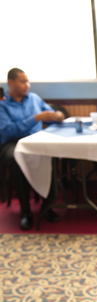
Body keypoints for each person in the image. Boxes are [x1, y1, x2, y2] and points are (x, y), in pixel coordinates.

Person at [0, 68, 64, 229]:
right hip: (13, 143)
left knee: (50, 155)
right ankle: (25, 211)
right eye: (22, 81)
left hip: (37, 141)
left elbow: (50, 115)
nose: (27, 85)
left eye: (27, 81)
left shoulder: (34, 98)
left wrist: (57, 116)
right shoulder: (2, 103)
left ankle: (48, 206)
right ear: (11, 82)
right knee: (16, 158)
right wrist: (35, 118)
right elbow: (7, 131)